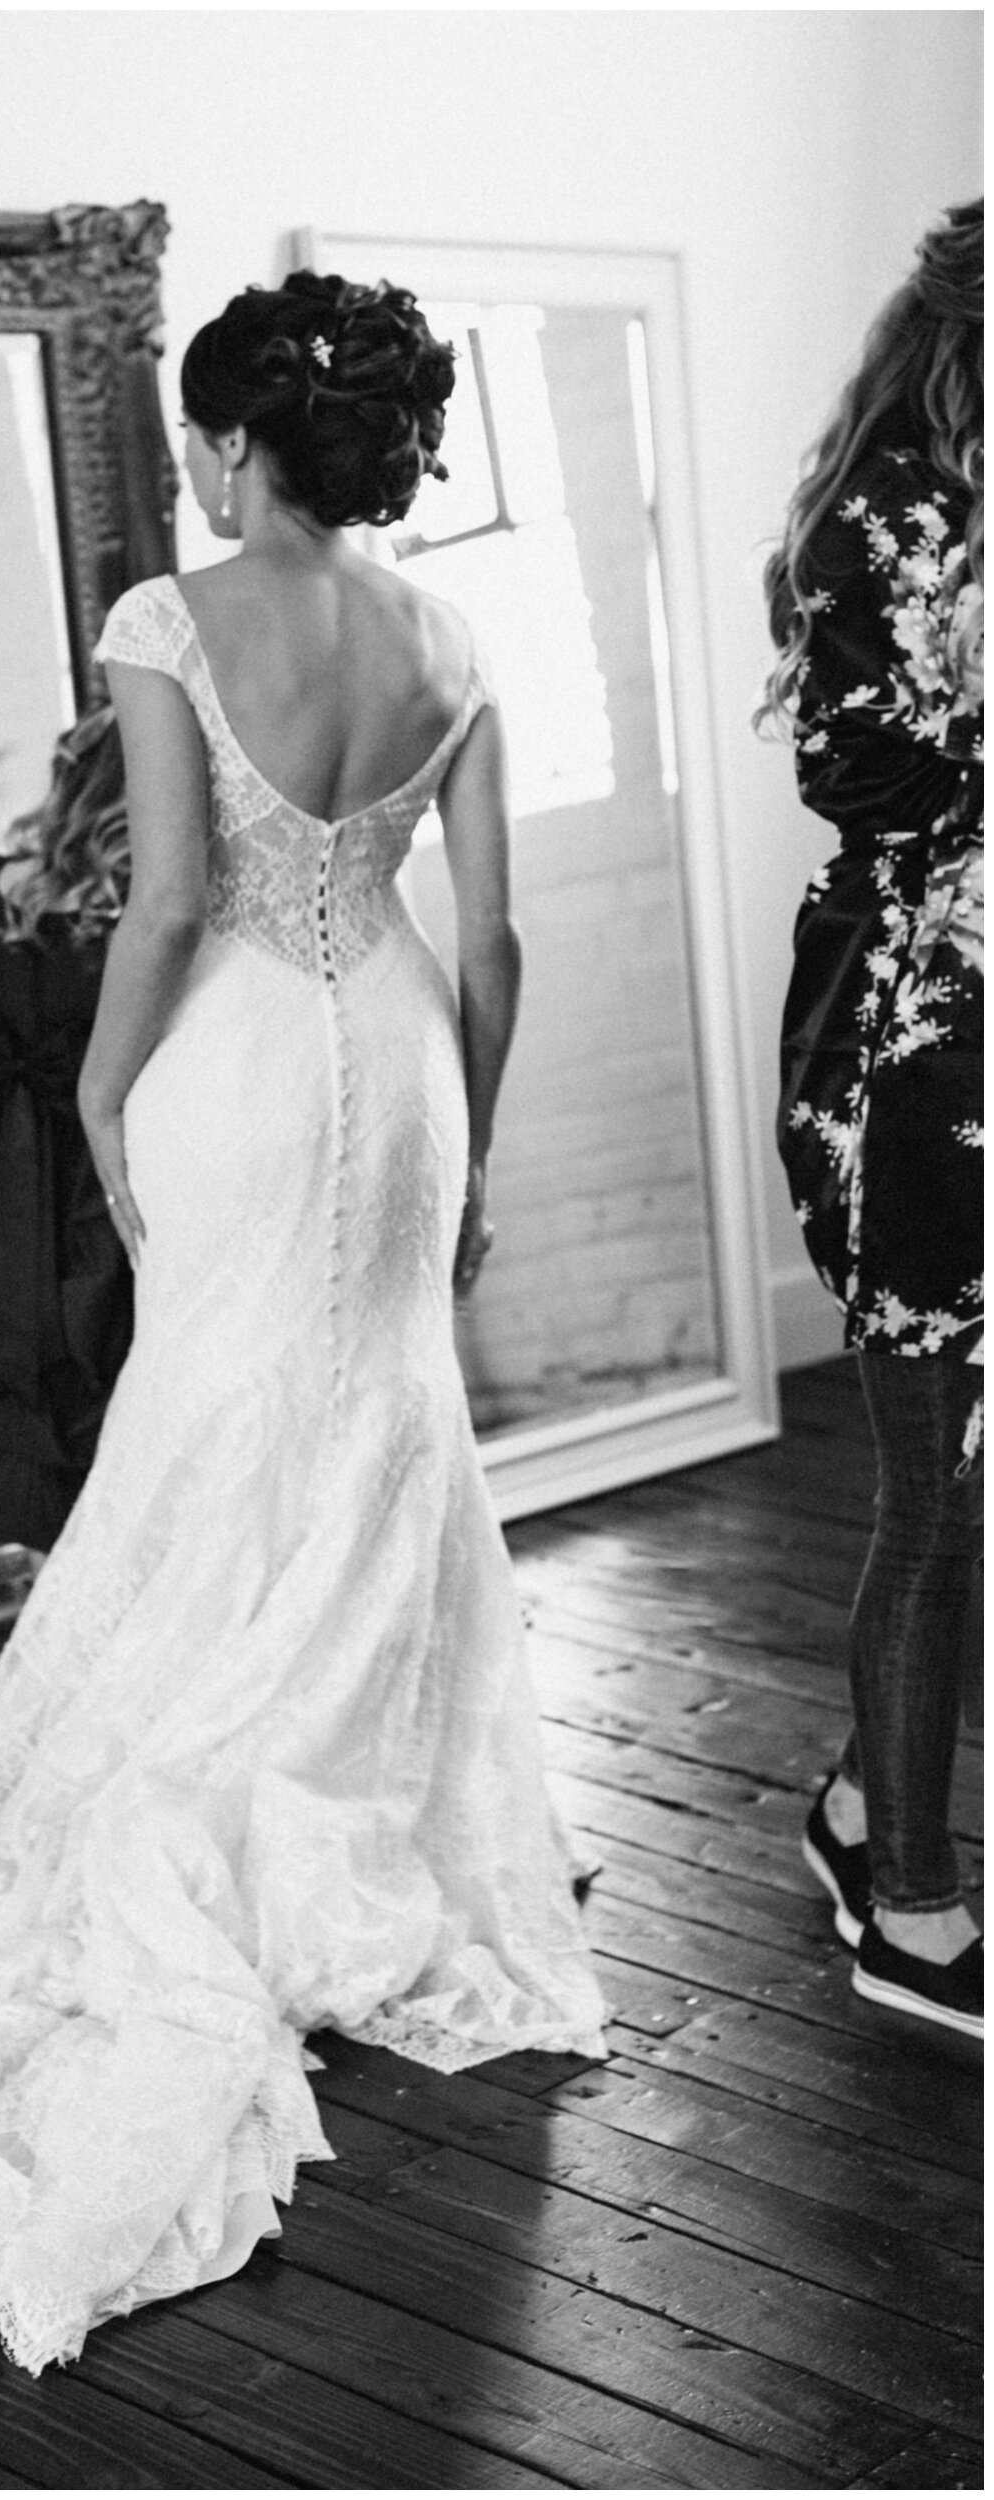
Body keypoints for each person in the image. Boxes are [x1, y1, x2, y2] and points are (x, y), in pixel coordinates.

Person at [0, 270, 607, 2372]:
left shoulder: (171, 617)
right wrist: (477, 1145)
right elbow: (499, 935)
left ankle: (215, 1781)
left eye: (191, 436)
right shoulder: (449, 635)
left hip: (240, 1054)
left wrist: (88, 1091)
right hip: (410, 1053)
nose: (182, 466)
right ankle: (362, 1792)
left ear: (240, 445)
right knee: (377, 1417)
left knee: (212, 1410)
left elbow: (165, 900)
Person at [759, 199, 983, 2040]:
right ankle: (906, 1900)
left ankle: (858, 1811)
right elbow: (860, 767)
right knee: (936, 1495)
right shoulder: (881, 518)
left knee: (968, 1499)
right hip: (918, 1065)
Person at [0, 707, 136, 1550]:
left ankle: (56, 1576)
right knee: (105, 1342)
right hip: (99, 1143)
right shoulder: (142, 898)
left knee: (14, 1338)